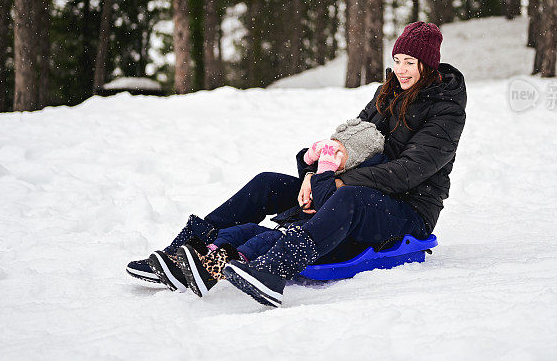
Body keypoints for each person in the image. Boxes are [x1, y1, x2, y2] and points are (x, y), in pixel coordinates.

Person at [127, 21, 467, 308]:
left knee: (349, 198)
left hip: (407, 209)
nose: (401, 70)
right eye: (397, 60)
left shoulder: (446, 108)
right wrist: (312, 175)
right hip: (349, 189)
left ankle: (275, 270)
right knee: (267, 183)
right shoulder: (387, 94)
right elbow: (346, 141)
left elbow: (410, 171)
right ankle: (186, 252)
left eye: (410, 62)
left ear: (428, 65)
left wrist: (338, 183)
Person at [145, 120, 388, 296]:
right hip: (295, 225)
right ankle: (191, 254)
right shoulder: (339, 167)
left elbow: (329, 207)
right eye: (329, 148)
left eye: (336, 152)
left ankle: (216, 268)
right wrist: (310, 161)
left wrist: (324, 171)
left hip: (301, 235)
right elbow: (318, 176)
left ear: (356, 159)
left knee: (255, 241)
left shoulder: (355, 182)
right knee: (247, 220)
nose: (329, 154)